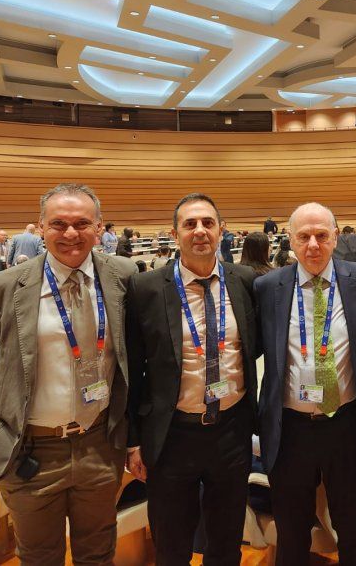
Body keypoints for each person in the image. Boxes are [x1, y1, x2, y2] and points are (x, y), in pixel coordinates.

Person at [0, 183, 138, 564]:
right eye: (59, 224)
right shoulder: (3, 287)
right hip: (29, 453)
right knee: (38, 558)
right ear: (41, 227)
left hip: (99, 445)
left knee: (98, 554)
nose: (70, 234)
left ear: (99, 228)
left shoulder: (125, 278)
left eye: (82, 223)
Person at [126, 193, 258, 565]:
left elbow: (253, 347)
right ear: (174, 233)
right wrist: (133, 441)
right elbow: (134, 369)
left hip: (231, 432)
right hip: (171, 437)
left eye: (208, 223)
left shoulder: (244, 280)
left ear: (221, 230)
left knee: (226, 541)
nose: (200, 231)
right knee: (171, 544)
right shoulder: (146, 288)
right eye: (190, 224)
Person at [254, 202, 356, 566]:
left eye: (322, 235)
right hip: (291, 428)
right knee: (292, 530)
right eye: (304, 236)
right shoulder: (267, 287)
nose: (313, 244)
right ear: (290, 240)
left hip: (346, 424)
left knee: (353, 525)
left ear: (336, 237)